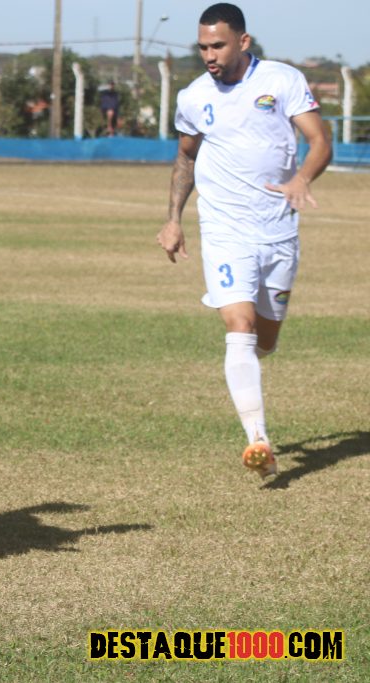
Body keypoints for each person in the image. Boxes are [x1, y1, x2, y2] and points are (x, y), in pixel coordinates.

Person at [155, 3, 332, 478]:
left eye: (218, 45)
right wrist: (173, 219)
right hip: (224, 229)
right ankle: (258, 441)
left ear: (243, 41)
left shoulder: (282, 80)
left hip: (278, 231)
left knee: (264, 339)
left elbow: (320, 141)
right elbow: (186, 158)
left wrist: (301, 179)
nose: (209, 55)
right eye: (203, 47)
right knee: (239, 324)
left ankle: (250, 372)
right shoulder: (194, 96)